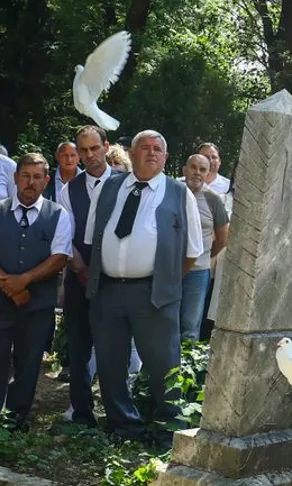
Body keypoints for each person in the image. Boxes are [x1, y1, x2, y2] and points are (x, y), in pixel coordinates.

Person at [86, 130, 204, 443]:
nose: (151, 153)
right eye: (144, 148)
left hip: (153, 294)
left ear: (165, 158)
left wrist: (164, 281)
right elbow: (92, 237)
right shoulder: (109, 187)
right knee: (110, 364)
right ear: (132, 153)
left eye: (157, 149)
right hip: (108, 291)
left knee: (163, 364)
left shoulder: (179, 193)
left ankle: (168, 433)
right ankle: (124, 428)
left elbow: (192, 252)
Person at [0, 153, 73, 434]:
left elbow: (60, 256)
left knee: (28, 365)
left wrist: (25, 280)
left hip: (36, 306)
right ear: (15, 178)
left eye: (37, 177)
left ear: (46, 181)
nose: (30, 182)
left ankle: (14, 423)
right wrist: (10, 286)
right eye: (25, 176)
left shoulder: (58, 214)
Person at [55, 125, 122, 427]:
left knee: (112, 345)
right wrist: (79, 267)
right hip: (79, 267)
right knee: (79, 343)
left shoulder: (126, 184)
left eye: (94, 148)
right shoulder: (69, 189)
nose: (89, 155)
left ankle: (116, 410)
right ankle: (81, 409)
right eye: (83, 150)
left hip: (115, 272)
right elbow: (65, 233)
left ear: (106, 147)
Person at [180, 154, 230, 341]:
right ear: (185, 169)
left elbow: (223, 239)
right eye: (193, 167)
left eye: (202, 169)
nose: (197, 173)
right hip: (167, 269)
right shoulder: (172, 191)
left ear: (208, 173)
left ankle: (185, 369)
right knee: (164, 324)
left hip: (198, 272)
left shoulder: (213, 199)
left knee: (190, 328)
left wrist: (204, 256)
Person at [195, 143, 233, 212]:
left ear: (219, 161)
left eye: (214, 157)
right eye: (206, 157)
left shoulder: (229, 187)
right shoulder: (184, 184)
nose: (210, 161)